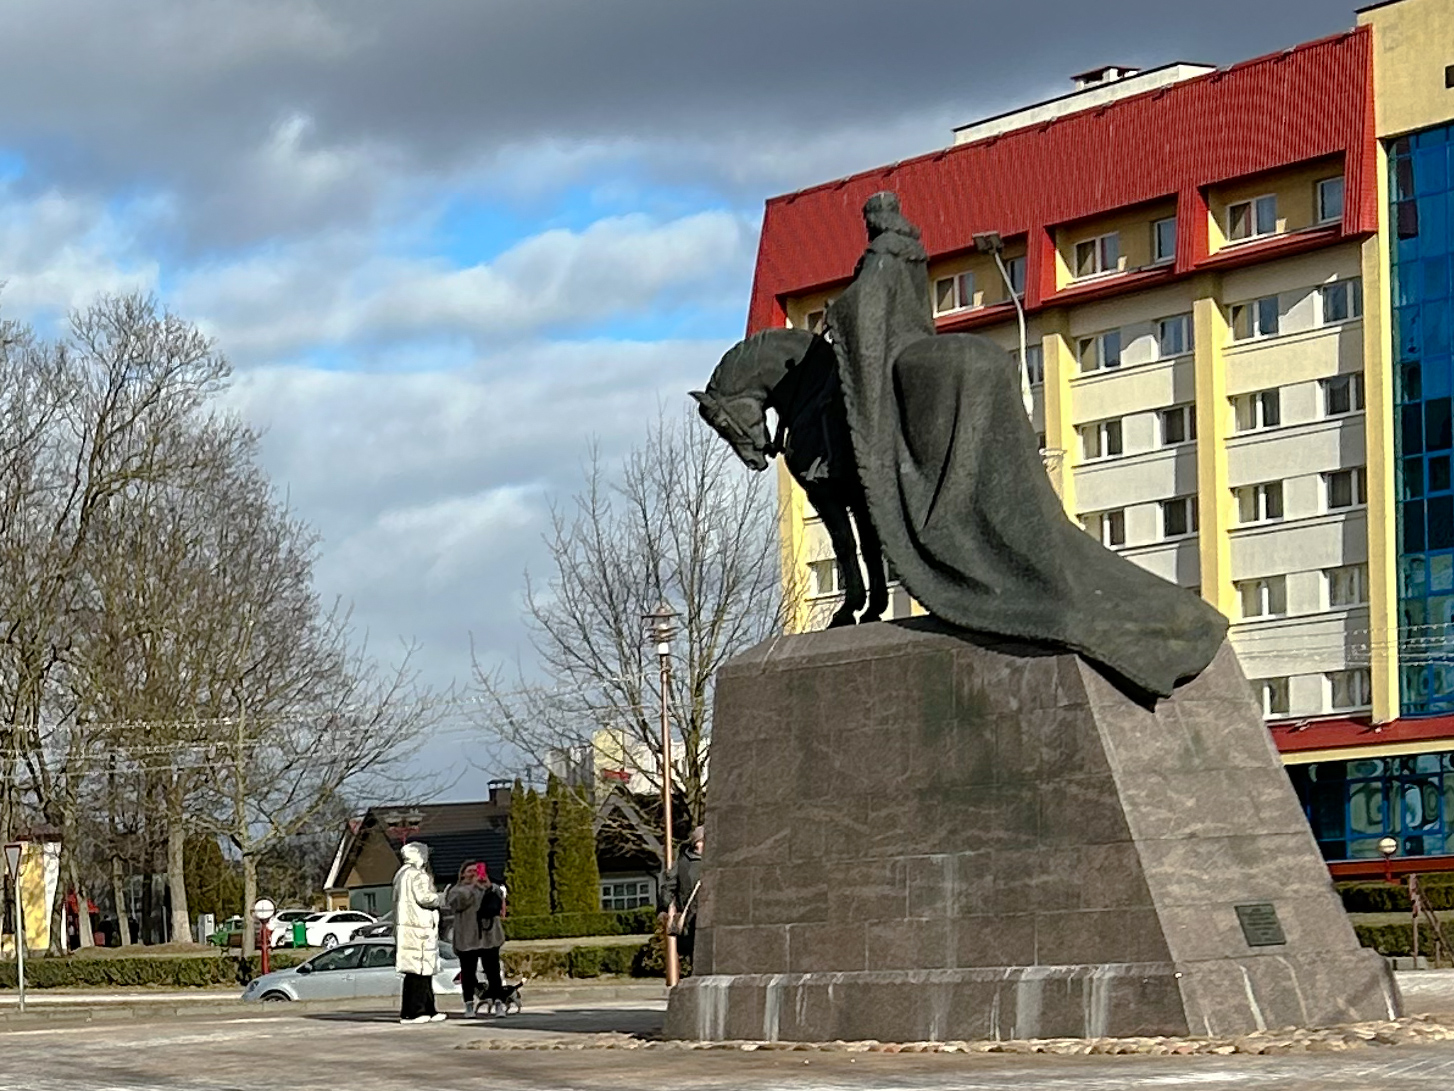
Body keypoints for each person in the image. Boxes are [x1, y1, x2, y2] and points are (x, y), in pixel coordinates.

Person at [392, 840, 447, 1024]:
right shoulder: (417, 875)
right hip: (420, 928)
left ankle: (427, 1009)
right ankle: (415, 1011)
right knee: (421, 972)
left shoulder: (400, 875)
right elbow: (425, 898)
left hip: (407, 927)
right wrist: (442, 897)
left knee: (416, 973)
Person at [446, 860, 507, 1016]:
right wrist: (471, 886)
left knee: (493, 971)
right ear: (462, 874)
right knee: (468, 973)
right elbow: (458, 903)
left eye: (476, 870)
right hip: (467, 938)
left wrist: (487, 885)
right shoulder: (456, 890)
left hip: (489, 936)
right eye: (469, 871)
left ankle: (499, 1002)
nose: (473, 874)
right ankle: (469, 1004)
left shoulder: (489, 887)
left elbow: (499, 899)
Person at [658, 826, 704, 970]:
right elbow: (668, 887)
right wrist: (667, 908)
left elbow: (668, 886)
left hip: (690, 918)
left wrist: (665, 908)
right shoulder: (687, 863)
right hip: (693, 918)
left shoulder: (682, 862)